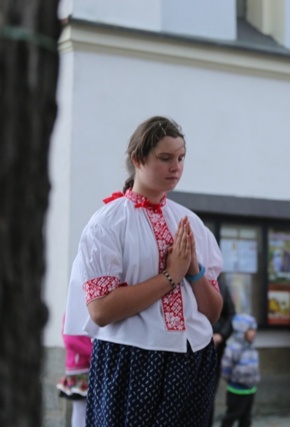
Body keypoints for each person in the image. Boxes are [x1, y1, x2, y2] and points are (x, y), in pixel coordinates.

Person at [64, 116, 224, 426]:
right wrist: (169, 277)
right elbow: (100, 310)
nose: (175, 167)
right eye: (165, 158)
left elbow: (213, 312)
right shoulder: (108, 223)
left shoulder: (190, 223)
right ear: (138, 159)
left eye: (180, 158)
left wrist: (193, 272)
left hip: (193, 357)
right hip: (133, 360)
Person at [220, 313, 260, 427]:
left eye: (254, 330)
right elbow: (226, 367)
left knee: (246, 418)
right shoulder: (233, 348)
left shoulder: (252, 348)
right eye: (250, 330)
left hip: (250, 390)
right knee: (232, 415)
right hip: (236, 390)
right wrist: (231, 380)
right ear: (241, 330)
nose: (253, 333)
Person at [209, 277, 237, 425]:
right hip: (190, 348)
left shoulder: (221, 284)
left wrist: (221, 335)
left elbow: (231, 315)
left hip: (215, 349)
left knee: (208, 393)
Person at [57, 314, 92, 427]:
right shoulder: (72, 313)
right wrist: (94, 353)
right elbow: (71, 341)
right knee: (81, 408)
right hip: (79, 367)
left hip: (85, 365)